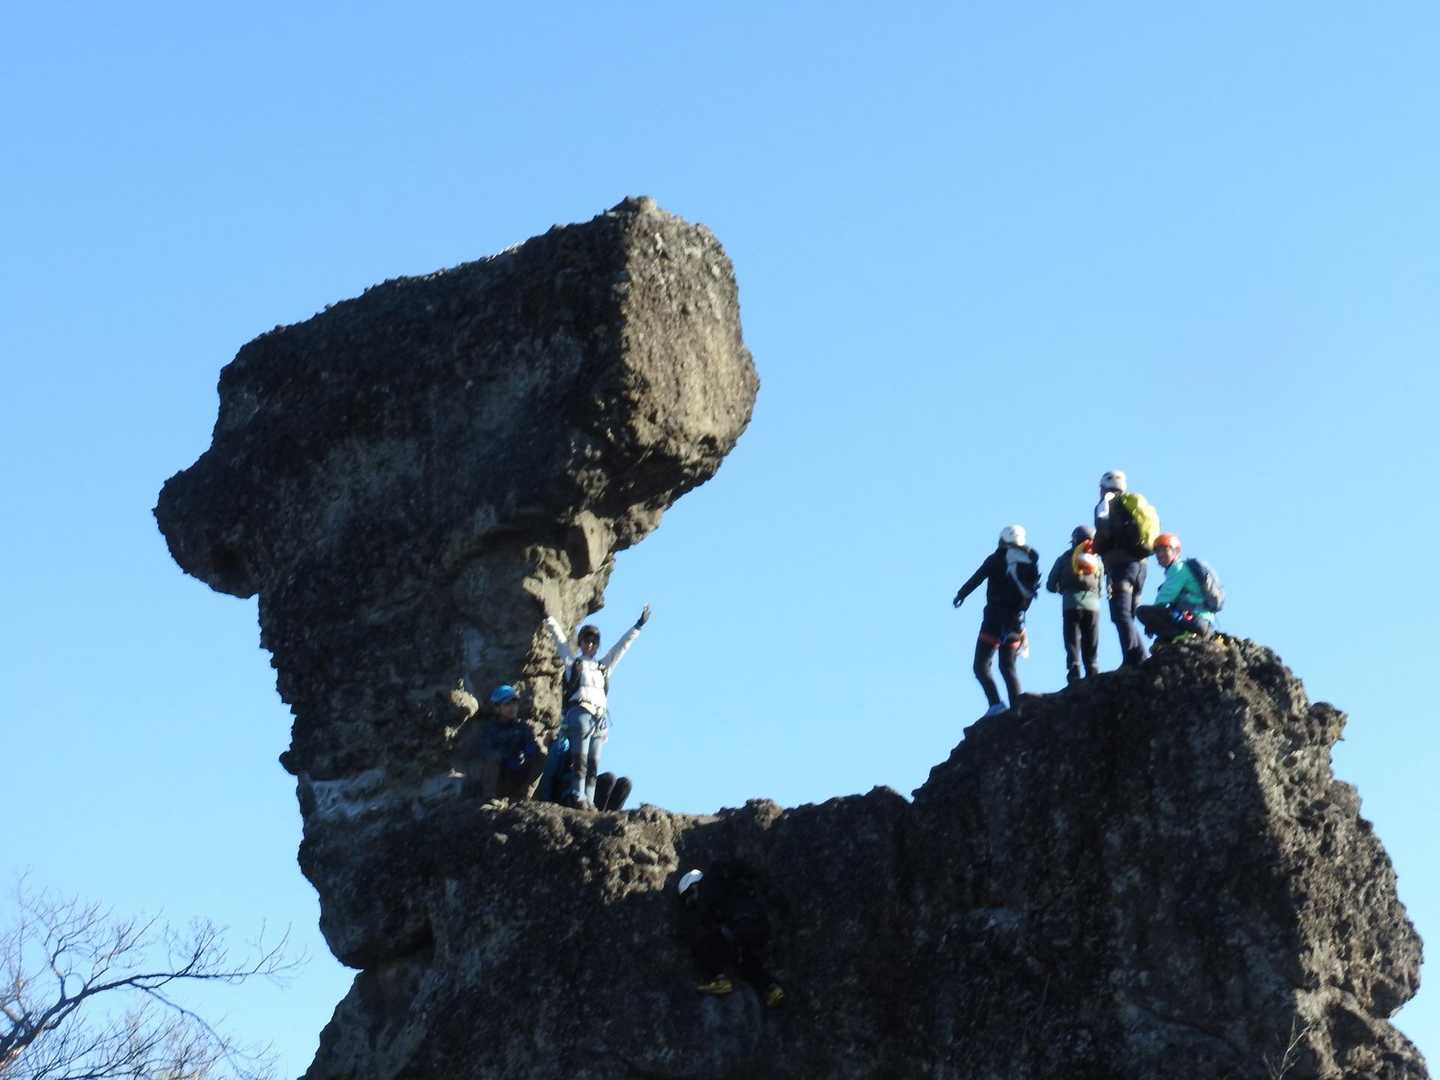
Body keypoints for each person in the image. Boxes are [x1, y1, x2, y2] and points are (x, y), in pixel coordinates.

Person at [540, 605, 650, 809]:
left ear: (597, 645)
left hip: (599, 719)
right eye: (586, 640)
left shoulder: (603, 667)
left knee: (593, 763)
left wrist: (637, 626)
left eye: (593, 641)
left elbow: (621, 648)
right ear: (580, 642)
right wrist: (549, 618)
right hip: (580, 713)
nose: (590, 644)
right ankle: (577, 794)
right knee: (579, 760)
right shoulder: (573, 663)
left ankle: (589, 800)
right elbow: (560, 641)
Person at [952, 525, 1041, 716]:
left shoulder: (997, 559)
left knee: (981, 666)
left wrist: (961, 594)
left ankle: (996, 705)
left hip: (993, 621)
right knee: (1008, 667)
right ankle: (1017, 709)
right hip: (1016, 623)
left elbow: (978, 577)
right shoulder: (1029, 562)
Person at [676, 864, 784, 1007]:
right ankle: (771, 987)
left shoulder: (706, 889)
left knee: (699, 940)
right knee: (744, 960)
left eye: (689, 897)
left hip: (739, 926)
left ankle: (722, 977)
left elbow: (707, 920)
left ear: (693, 886)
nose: (692, 902)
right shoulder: (727, 882)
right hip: (760, 925)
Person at [1092, 469, 1150, 668]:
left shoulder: (1106, 503)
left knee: (1121, 614)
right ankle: (1139, 657)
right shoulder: (1132, 504)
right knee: (1128, 615)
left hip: (1120, 567)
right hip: (1141, 567)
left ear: (1103, 487)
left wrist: (1097, 547)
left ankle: (1134, 659)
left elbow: (1104, 533)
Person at [457, 684, 543, 801]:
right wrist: (503, 755)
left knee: (541, 757)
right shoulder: (490, 729)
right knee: (493, 758)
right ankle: (490, 796)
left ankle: (524, 793)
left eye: (514, 703)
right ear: (497, 708)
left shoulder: (522, 728)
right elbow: (485, 752)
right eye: (507, 704)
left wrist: (526, 754)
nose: (512, 707)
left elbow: (532, 750)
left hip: (517, 774)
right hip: (499, 777)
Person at [1136, 532, 1218, 643]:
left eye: (1164, 550)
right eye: (1157, 551)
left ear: (1176, 551)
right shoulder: (1183, 569)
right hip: (1205, 624)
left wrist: (1150, 623)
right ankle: (1175, 636)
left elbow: (1164, 599)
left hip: (1194, 621)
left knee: (1141, 612)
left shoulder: (1178, 568)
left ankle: (1180, 636)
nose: (1160, 554)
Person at [1045, 525, 1102, 684]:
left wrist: (1061, 590)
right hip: (1093, 606)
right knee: (1091, 639)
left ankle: (1074, 670)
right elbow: (1101, 586)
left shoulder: (1064, 558)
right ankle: (1092, 669)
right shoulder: (1098, 559)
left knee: (1072, 639)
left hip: (1070, 604)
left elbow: (1050, 584)